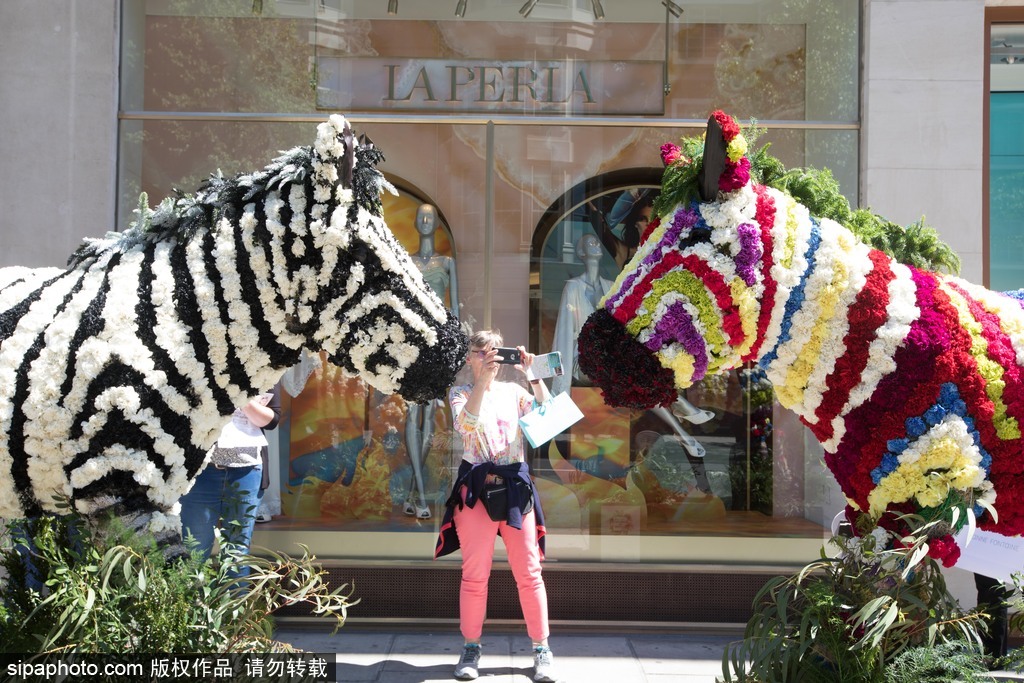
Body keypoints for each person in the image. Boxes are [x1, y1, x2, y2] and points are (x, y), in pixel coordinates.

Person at [434, 330, 558, 683]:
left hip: (516, 490)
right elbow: (465, 426)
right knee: (475, 576)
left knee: (530, 573)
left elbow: (548, 422)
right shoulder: (460, 393)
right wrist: (482, 384)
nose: (489, 358)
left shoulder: (515, 393)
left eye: (495, 352)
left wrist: (533, 377)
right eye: (481, 352)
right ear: (470, 357)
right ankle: (471, 647)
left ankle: (542, 649)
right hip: (476, 493)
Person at [180, 384, 281, 569]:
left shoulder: (262, 366)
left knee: (237, 554)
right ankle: (189, 598)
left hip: (246, 471)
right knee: (193, 550)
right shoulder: (196, 364)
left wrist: (240, 396)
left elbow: (272, 420)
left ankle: (235, 597)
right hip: (201, 472)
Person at [404, 203, 459, 519]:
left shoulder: (448, 263)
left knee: (429, 417)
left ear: (437, 223)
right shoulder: (406, 262)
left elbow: (457, 310)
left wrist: (457, 350)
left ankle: (415, 491)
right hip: (411, 344)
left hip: (439, 343)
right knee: (413, 414)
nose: (425, 221)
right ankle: (421, 494)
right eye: (421, 216)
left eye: (431, 217)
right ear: (414, 221)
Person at [586, 188, 654, 269]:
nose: (649, 223)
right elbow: (600, 226)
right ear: (635, 223)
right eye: (643, 219)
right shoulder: (624, 252)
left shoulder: (668, 246)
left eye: (653, 219)